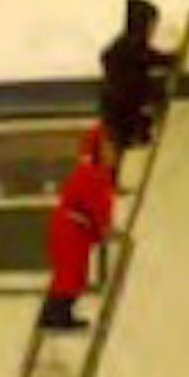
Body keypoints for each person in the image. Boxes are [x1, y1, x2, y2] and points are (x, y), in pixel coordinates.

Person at [39, 123, 119, 332]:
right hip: (71, 229)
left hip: (71, 228)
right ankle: (58, 315)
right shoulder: (93, 174)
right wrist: (105, 227)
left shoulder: (91, 173)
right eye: (107, 147)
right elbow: (97, 203)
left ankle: (52, 313)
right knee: (71, 273)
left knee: (68, 273)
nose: (112, 152)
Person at [100, 0, 178, 152]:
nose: (152, 30)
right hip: (124, 102)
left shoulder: (127, 45)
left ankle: (136, 136)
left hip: (121, 103)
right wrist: (170, 60)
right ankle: (137, 136)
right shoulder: (131, 44)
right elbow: (146, 56)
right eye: (151, 25)